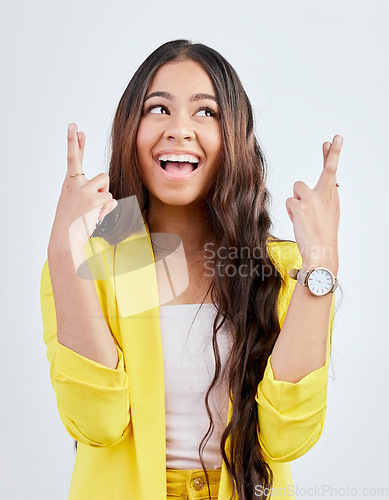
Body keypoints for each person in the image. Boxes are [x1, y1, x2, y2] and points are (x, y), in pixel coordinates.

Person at [40, 39, 343, 500]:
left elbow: (287, 439)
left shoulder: (285, 269)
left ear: (234, 138)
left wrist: (321, 259)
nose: (180, 129)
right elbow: (96, 423)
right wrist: (64, 252)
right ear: (130, 130)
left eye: (206, 112)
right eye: (158, 108)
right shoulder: (85, 264)